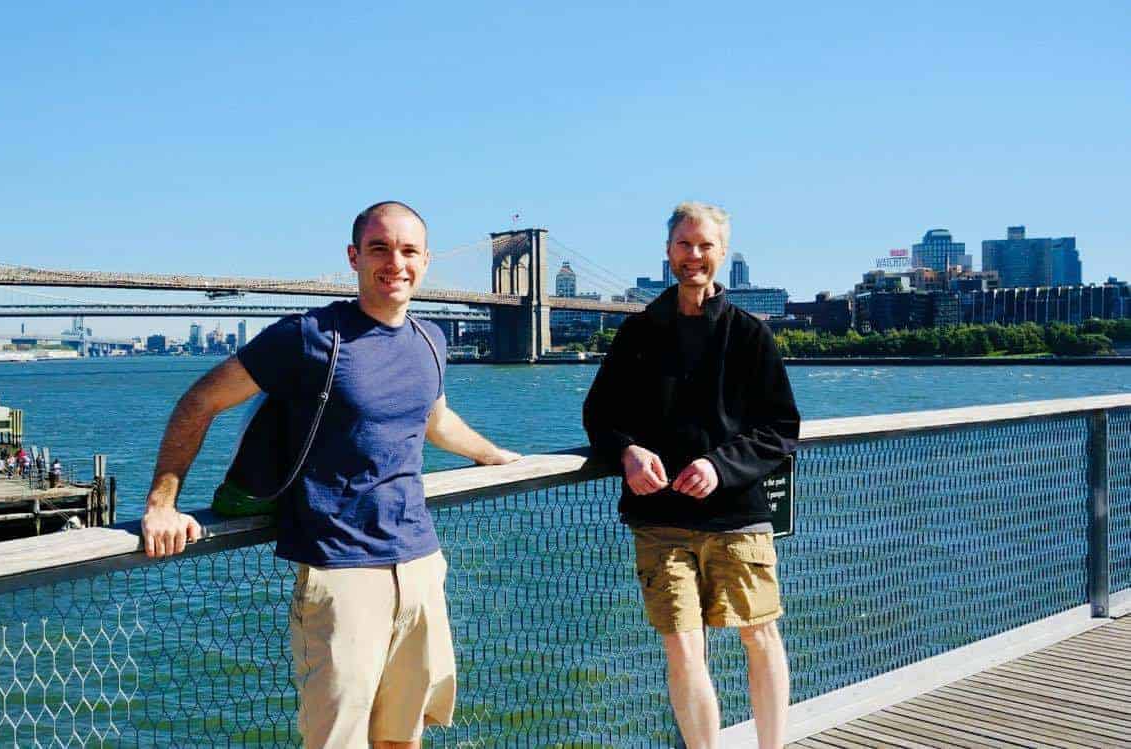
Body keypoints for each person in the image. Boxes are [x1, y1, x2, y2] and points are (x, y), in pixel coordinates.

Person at [141, 201, 521, 749]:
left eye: (409, 251)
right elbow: (199, 402)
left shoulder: (430, 340)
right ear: (353, 257)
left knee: (404, 738)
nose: (395, 263)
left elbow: (434, 418)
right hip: (341, 571)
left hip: (419, 562)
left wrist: (493, 454)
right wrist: (162, 503)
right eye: (379, 248)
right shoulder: (308, 336)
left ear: (426, 261)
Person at [583, 201, 800, 749]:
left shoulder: (750, 334)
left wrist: (718, 466)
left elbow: (781, 428)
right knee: (682, 648)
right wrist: (627, 452)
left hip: (738, 517)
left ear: (722, 252)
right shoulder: (637, 332)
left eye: (705, 245)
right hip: (661, 521)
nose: (694, 255)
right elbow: (599, 415)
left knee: (760, 635)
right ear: (668, 251)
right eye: (684, 244)